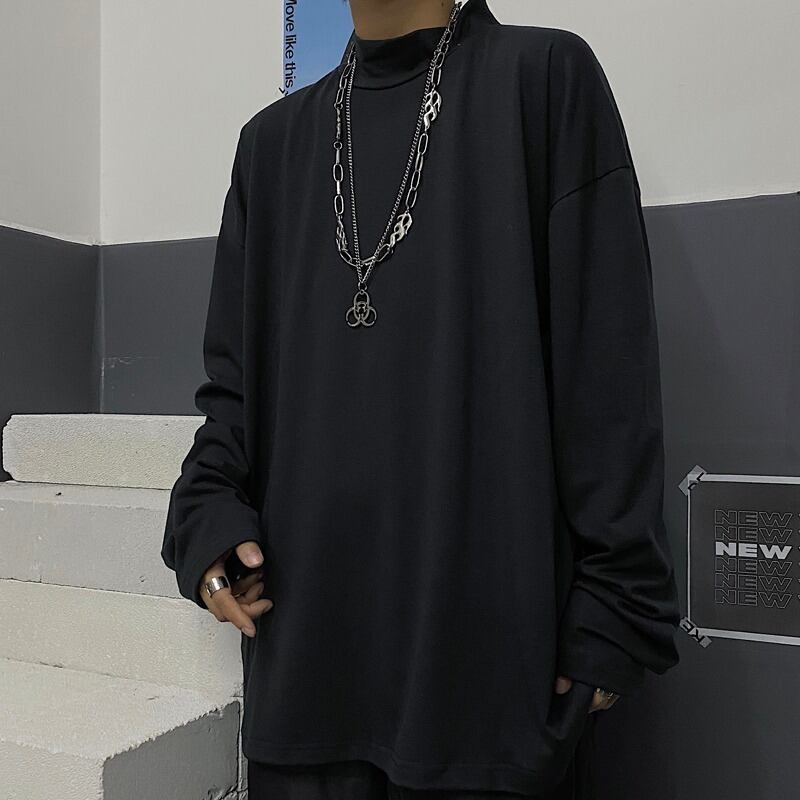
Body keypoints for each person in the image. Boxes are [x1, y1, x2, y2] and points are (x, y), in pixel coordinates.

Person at [160, 0, 682, 798]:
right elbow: (231, 395)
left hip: (488, 686)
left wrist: (615, 611)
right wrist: (207, 519)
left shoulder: (542, 80)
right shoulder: (271, 146)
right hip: (305, 667)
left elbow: (608, 377)